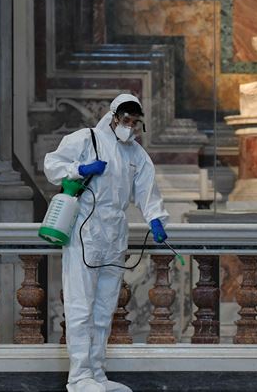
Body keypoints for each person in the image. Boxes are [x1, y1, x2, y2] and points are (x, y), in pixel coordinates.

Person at [44, 93, 169, 392]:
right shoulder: (87, 139)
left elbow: (147, 190)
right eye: (126, 121)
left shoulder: (136, 154)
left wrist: (155, 218)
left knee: (104, 309)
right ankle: (78, 377)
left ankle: (97, 373)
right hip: (85, 232)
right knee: (80, 306)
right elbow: (52, 164)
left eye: (135, 123)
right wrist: (80, 169)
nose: (130, 127)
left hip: (115, 235)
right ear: (113, 117)